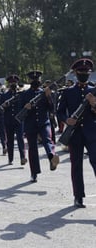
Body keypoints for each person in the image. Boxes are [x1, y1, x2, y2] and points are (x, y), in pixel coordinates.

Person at [56, 58, 96, 208]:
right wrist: (67, 120)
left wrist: (93, 104)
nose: (84, 74)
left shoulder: (93, 90)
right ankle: (78, 196)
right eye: (81, 72)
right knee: (76, 165)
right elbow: (59, 112)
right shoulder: (67, 92)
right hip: (75, 134)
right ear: (75, 73)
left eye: (86, 72)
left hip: (92, 132)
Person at [19, 70, 59, 183]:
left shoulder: (45, 93)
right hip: (30, 124)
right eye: (33, 79)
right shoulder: (25, 95)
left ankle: (52, 158)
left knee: (48, 140)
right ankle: (34, 173)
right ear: (29, 81)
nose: (36, 81)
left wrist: (49, 97)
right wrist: (26, 108)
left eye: (37, 79)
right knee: (32, 148)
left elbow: (52, 109)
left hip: (43, 122)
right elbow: (19, 112)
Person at [1, 75, 27, 165]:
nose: (13, 84)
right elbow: (0, 108)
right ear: (9, 84)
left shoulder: (21, 94)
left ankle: (23, 157)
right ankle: (10, 158)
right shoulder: (4, 96)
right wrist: (4, 106)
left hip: (19, 120)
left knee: (20, 138)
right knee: (10, 140)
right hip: (8, 121)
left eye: (15, 82)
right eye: (11, 83)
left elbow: (25, 106)